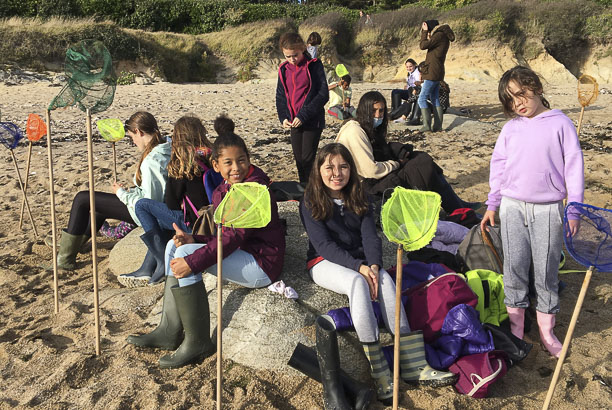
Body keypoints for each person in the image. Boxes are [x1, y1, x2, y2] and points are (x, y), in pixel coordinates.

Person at [300, 143, 457, 404]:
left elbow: (370, 236)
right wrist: (358, 268)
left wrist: (373, 265)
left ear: (351, 169)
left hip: (361, 260)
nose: (336, 173)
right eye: (329, 167)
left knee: (384, 279)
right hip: (323, 262)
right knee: (357, 284)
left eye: (343, 166)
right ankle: (380, 371)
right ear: (319, 170)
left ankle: (413, 364)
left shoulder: (358, 193)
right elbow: (324, 246)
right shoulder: (310, 200)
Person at [126, 133, 286, 369]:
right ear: (216, 165)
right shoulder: (225, 188)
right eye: (228, 162)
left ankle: (197, 341)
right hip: (241, 251)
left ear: (249, 159)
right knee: (174, 245)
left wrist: (193, 262)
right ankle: (169, 330)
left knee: (185, 257)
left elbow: (234, 238)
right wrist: (194, 238)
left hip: (261, 263)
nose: (236, 168)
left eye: (242, 160)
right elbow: (225, 235)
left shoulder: (252, 190)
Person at [481, 66, 584, 358]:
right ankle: (516, 326)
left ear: (536, 88)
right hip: (512, 207)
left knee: (547, 270)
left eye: (522, 94)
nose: (519, 103)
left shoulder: (561, 123)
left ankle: (546, 329)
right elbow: (498, 165)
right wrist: (492, 204)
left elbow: (574, 167)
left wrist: (573, 208)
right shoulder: (510, 128)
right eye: (512, 100)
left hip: (549, 209)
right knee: (513, 267)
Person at [47, 111, 171, 271]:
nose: (133, 142)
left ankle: (64, 259)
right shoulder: (166, 147)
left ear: (139, 132)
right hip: (158, 209)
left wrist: (122, 194)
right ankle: (73, 247)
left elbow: (148, 203)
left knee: (82, 198)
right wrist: (130, 192)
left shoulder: (153, 160)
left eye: (132, 137)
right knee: (98, 209)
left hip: (149, 216)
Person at [336, 91, 479, 213]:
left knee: (421, 159)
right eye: (374, 111)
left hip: (373, 178)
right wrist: (397, 163)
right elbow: (371, 171)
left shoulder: (365, 127)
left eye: (381, 111)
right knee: (422, 164)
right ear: (365, 110)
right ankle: (455, 208)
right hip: (364, 186)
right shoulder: (354, 131)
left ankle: (457, 205)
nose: (378, 115)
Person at [118, 115, 215, 288]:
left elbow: (171, 203)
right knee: (157, 215)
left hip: (193, 225)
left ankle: (160, 258)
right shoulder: (210, 157)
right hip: (212, 219)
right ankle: (147, 268)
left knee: (143, 205)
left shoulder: (182, 165)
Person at [276, 32, 329, 185]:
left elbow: (323, 94)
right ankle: (305, 192)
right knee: (299, 161)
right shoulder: (284, 69)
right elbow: (280, 96)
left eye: (295, 55)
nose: (292, 59)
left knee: (307, 159)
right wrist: (283, 117)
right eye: (288, 56)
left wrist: (304, 115)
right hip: (293, 121)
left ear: (303, 49)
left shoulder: (314, 64)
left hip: (312, 120)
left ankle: (313, 191)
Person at [418, 20, 454, 132]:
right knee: (435, 98)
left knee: (421, 99)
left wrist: (424, 32)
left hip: (432, 72)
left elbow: (423, 45)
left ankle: (426, 126)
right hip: (437, 71)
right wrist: (429, 36)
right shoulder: (443, 36)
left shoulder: (439, 35)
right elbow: (434, 48)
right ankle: (437, 127)